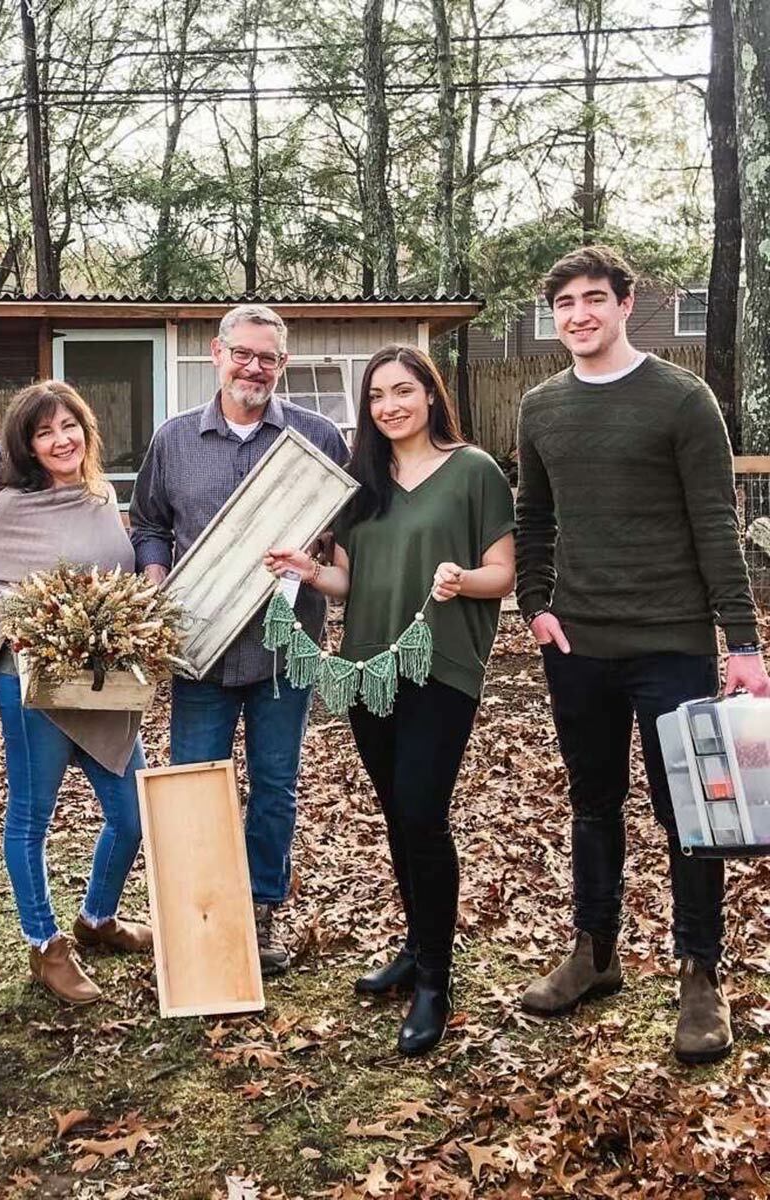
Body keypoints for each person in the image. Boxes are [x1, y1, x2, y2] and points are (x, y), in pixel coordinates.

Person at [515, 245, 770, 1065]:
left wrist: (742, 641)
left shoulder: (681, 399)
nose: (579, 315)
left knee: (688, 814)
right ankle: (595, 950)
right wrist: (535, 604)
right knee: (593, 801)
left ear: (627, 305)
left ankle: (700, 973)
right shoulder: (541, 407)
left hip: (671, 642)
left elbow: (715, 522)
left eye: (595, 299)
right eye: (565, 305)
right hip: (579, 643)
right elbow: (534, 519)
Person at [266, 346, 515, 1054]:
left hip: (442, 666)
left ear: (430, 395)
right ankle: (414, 946)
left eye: (403, 391)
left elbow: (504, 573)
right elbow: (350, 582)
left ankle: (436, 978)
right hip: (367, 668)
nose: (389, 405)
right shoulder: (363, 481)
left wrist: (461, 580)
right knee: (396, 816)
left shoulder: (474, 472)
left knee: (422, 813)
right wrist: (308, 571)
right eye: (377, 395)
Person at [129, 303, 349, 976]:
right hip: (202, 650)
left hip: (286, 649)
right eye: (244, 353)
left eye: (269, 358)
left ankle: (261, 907)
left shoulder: (316, 440)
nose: (255, 367)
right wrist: (158, 581)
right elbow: (148, 524)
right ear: (215, 354)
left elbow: (342, 536)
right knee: (199, 785)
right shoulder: (173, 440)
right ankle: (204, 911)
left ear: (283, 365)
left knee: (275, 785)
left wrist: (318, 564)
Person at [0, 382, 152, 1005]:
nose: (60, 439)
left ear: (86, 432)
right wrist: (37, 613)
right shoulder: (10, 507)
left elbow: (118, 580)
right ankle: (45, 944)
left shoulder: (102, 496)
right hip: (33, 688)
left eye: (70, 426)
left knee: (131, 815)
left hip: (103, 686)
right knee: (31, 817)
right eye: (45, 432)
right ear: (28, 446)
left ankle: (96, 918)